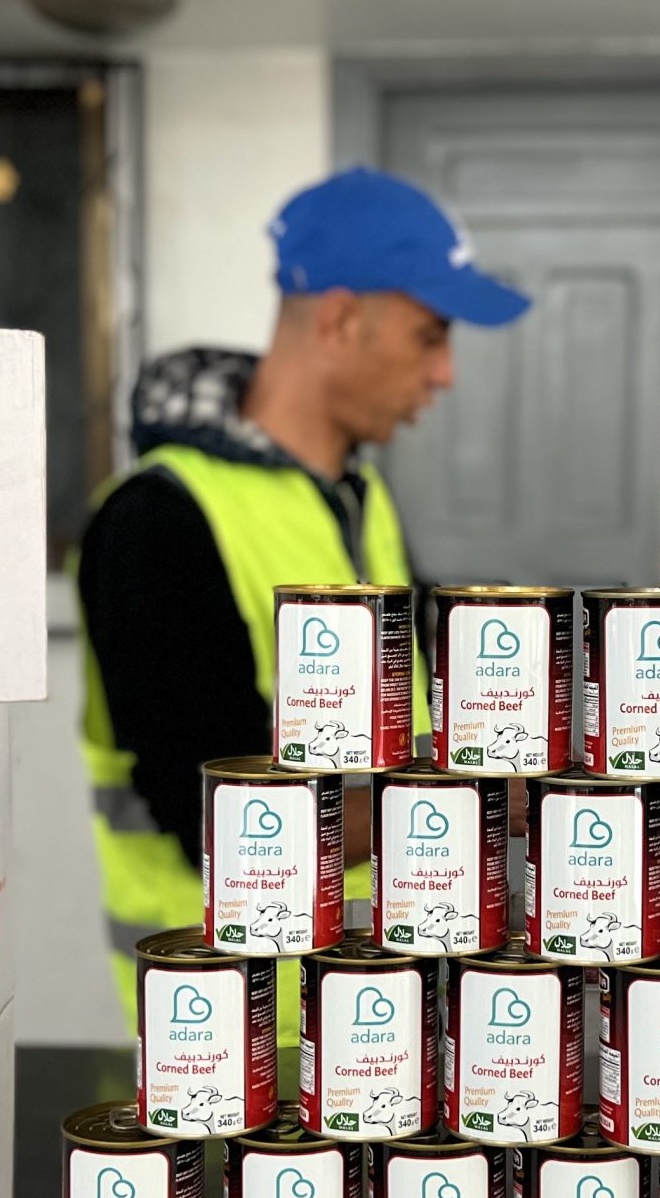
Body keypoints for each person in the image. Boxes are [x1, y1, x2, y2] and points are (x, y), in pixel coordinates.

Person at [79, 167, 532, 1027]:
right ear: (340, 321)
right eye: (430, 336)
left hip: (383, 1013)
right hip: (242, 1036)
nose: (444, 374)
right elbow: (215, 821)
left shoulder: (359, 498)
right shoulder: (159, 520)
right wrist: (488, 801)